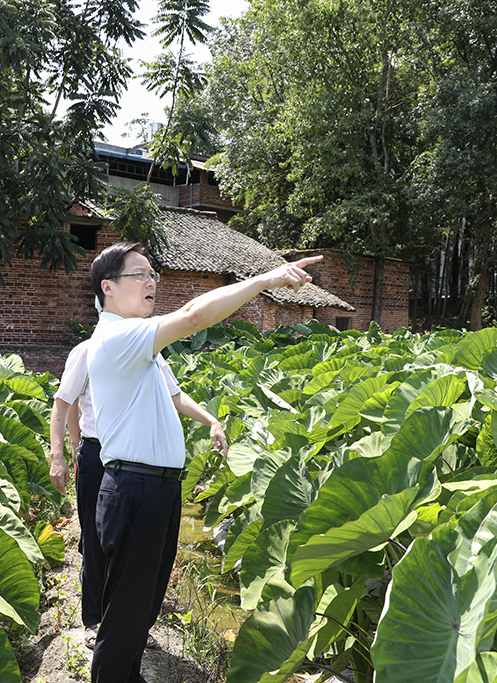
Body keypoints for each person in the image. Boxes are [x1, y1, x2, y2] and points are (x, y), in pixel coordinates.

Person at [86, 241, 322, 683]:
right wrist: (267, 279)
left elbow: (172, 397)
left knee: (143, 606)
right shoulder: (118, 337)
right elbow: (195, 316)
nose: (151, 281)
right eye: (140, 274)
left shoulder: (141, 348)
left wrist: (211, 420)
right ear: (109, 288)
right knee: (125, 615)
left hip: (155, 490)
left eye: (153, 273)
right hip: (135, 489)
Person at [48, 337, 227, 650]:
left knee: (141, 547)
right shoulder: (88, 351)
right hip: (98, 454)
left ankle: (134, 625)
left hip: (138, 459)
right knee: (95, 538)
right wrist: (61, 454)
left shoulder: (151, 353)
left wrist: (211, 420)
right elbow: (65, 402)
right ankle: (95, 620)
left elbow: (175, 395)